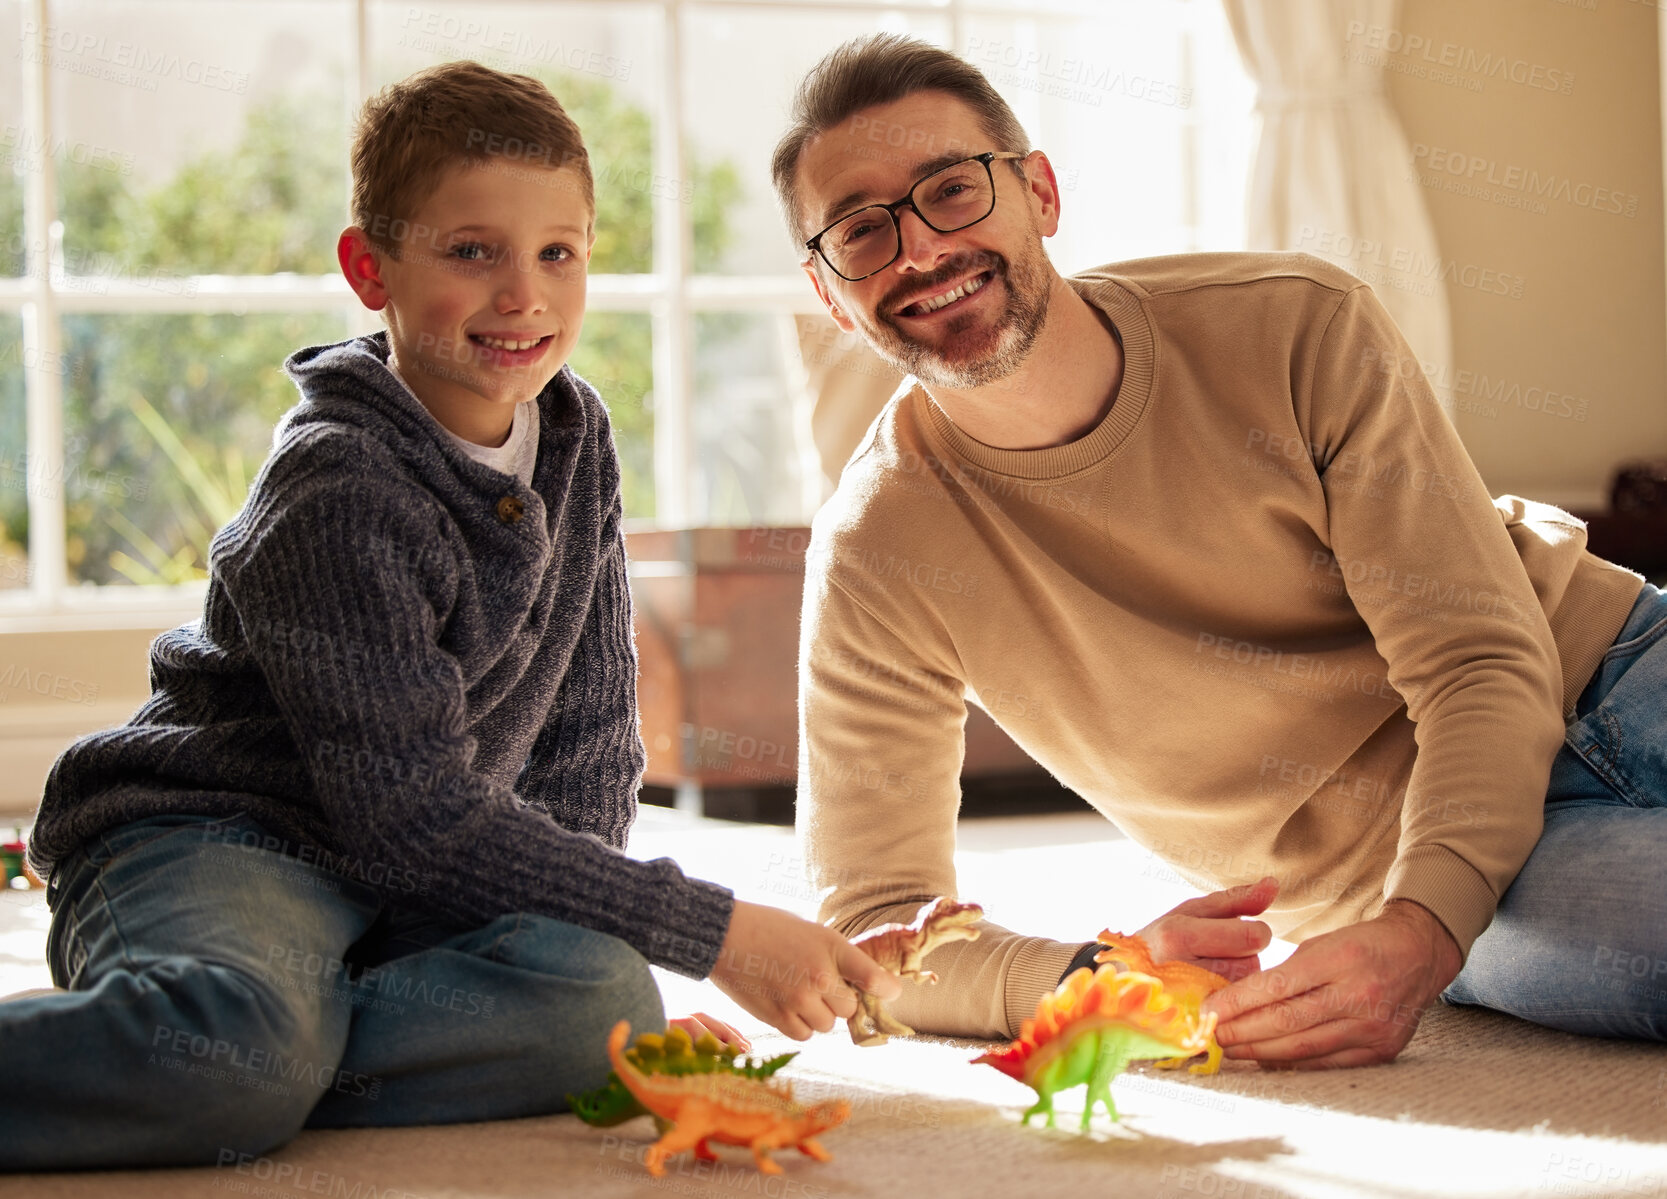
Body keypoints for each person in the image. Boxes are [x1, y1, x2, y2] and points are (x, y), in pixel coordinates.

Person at [0, 59, 898, 1172]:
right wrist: (714, 931)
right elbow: (416, 814)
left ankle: (272, 1039)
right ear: (368, 268)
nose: (522, 294)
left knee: (598, 996)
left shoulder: (573, 433)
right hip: (221, 842)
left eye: (556, 253)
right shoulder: (338, 485)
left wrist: (607, 936)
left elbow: (587, 743)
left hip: (401, 891)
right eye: (472, 252)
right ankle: (229, 1038)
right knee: (228, 1051)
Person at [774, 33, 1665, 1067]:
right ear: (833, 294)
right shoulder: (875, 552)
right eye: (860, 231)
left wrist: (1423, 933)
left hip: (1606, 662)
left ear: (1039, 194)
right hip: (1432, 876)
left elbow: (1474, 658)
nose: (919, 248)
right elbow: (876, 920)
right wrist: (1097, 972)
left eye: (950, 191)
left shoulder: (1292, 324)